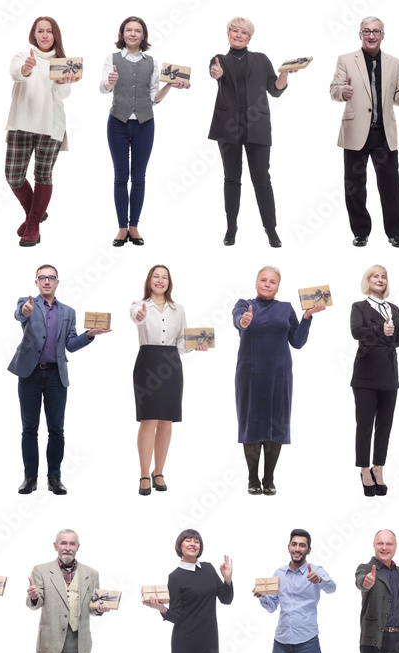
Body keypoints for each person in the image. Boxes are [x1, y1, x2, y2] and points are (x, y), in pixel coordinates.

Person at [8, 264, 110, 495]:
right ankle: (30, 478)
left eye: (51, 278)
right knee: (29, 429)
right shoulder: (27, 303)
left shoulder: (68, 312)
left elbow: (71, 345)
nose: (46, 281)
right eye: (42, 278)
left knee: (57, 430)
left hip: (56, 375)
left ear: (57, 282)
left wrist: (89, 335)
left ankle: (54, 478)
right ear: (36, 282)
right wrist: (24, 311)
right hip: (29, 374)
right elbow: (18, 314)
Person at [232, 266, 324, 495]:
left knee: (277, 423)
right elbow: (238, 321)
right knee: (251, 424)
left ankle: (269, 478)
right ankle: (253, 478)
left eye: (272, 281)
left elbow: (298, 341)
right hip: (250, 375)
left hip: (279, 375)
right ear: (256, 282)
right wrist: (244, 321)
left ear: (278, 287)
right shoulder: (244, 304)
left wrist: (307, 317)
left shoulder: (286, 308)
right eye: (263, 280)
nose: (267, 284)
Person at [208, 17, 299, 247]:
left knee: (262, 179)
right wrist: (216, 72)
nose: (238, 35)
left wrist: (285, 73)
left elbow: (275, 90)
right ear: (228, 33)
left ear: (250, 37)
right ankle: (231, 227)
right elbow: (215, 73)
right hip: (227, 127)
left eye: (244, 32)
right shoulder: (219, 59)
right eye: (234, 31)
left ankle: (271, 230)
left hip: (257, 127)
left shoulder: (261, 59)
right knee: (231, 178)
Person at [101, 16, 188, 247]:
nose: (132, 34)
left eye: (137, 30)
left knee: (138, 178)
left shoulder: (151, 61)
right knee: (121, 177)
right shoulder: (112, 58)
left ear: (143, 35)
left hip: (144, 124)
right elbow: (103, 88)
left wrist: (168, 85)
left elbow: (153, 98)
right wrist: (110, 81)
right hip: (117, 123)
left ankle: (134, 226)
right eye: (128, 30)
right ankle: (121, 228)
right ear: (122, 34)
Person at [330, 18, 399, 248]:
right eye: (366, 31)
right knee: (355, 186)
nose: (371, 35)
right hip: (355, 132)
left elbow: (398, 95)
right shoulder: (346, 60)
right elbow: (334, 89)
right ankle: (360, 232)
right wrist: (343, 91)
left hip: (383, 134)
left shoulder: (395, 62)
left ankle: (395, 233)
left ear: (383, 35)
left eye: (376, 31)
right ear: (360, 34)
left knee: (391, 185)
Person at [351, 265, 399, 496]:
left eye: (383, 276)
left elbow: (394, 339)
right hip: (365, 372)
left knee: (384, 425)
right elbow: (356, 332)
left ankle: (378, 467)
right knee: (365, 425)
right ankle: (364, 469)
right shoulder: (359, 306)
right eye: (376, 276)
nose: (380, 279)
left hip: (388, 373)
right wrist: (378, 329)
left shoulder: (393, 309)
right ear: (368, 280)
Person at [130, 264, 207, 496]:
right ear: (149, 280)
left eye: (165, 277)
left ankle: (159, 471)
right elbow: (136, 317)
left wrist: (196, 345)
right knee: (148, 420)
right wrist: (140, 315)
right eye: (156, 276)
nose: (160, 280)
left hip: (172, 363)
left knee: (166, 421)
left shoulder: (178, 309)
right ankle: (144, 473)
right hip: (147, 362)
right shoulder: (138, 305)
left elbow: (182, 342)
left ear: (169, 282)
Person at [5, 16, 79, 247]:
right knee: (13, 176)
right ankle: (34, 214)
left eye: (49, 31)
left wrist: (64, 82)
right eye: (41, 31)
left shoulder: (63, 62)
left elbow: (60, 97)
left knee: (43, 176)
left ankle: (33, 225)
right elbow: (17, 74)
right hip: (21, 123)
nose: (45, 35)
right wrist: (26, 69)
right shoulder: (22, 56)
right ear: (34, 34)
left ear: (55, 35)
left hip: (50, 125)